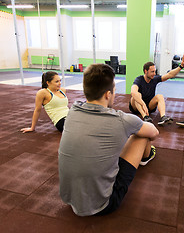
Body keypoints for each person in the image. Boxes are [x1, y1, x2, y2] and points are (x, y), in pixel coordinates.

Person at [59, 64, 159, 216]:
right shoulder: (121, 120)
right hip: (103, 204)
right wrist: (137, 126)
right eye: (114, 90)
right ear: (107, 94)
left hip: (69, 198)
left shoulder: (73, 111)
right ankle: (146, 156)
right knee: (140, 135)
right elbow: (154, 133)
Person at [129, 60, 184, 125]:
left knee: (159, 96)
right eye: (152, 72)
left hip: (149, 106)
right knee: (136, 95)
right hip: (136, 107)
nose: (154, 73)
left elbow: (170, 75)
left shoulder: (154, 79)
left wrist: (181, 66)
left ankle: (163, 117)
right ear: (145, 71)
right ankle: (145, 116)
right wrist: (143, 104)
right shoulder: (139, 79)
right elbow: (133, 92)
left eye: (155, 71)